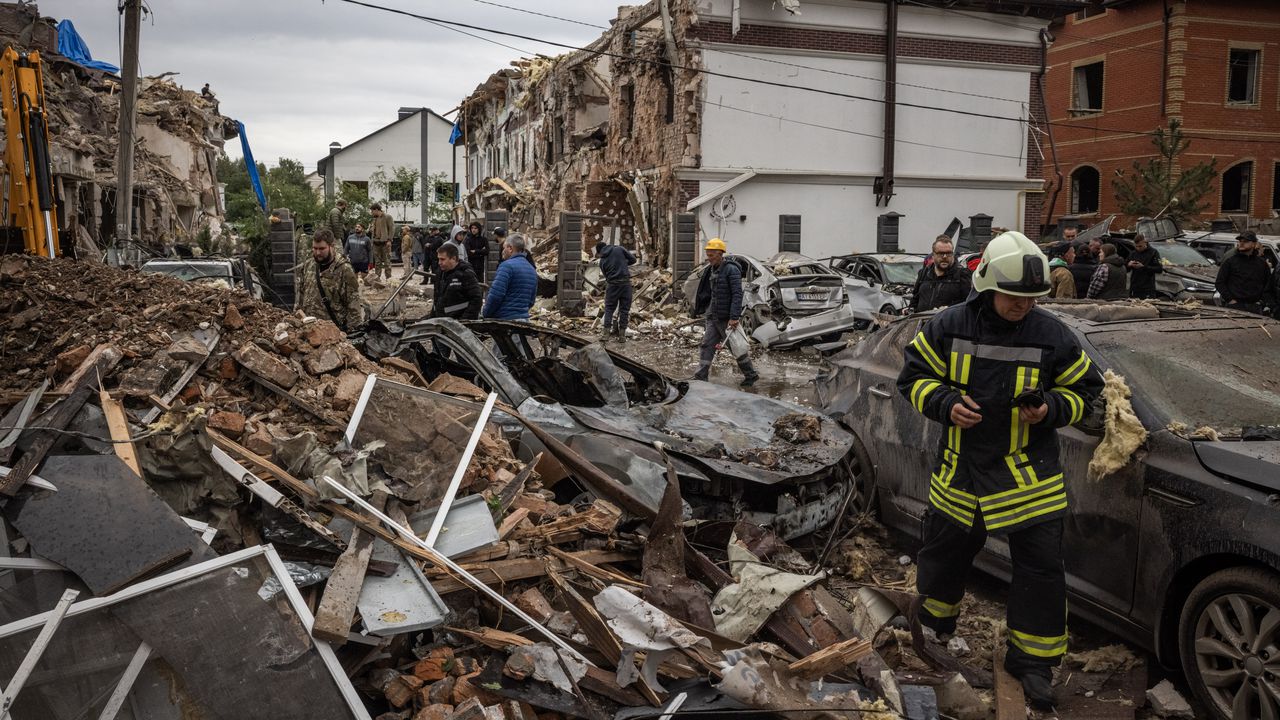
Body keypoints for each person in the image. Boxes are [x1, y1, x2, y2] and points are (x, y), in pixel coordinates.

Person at [897, 231, 1103, 712]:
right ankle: (932, 627)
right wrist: (945, 403)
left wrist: (1050, 409)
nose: (1023, 306)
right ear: (987, 285)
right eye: (1014, 296)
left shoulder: (1052, 334)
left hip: (1028, 476)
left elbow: (1087, 393)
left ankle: (1033, 663)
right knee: (944, 555)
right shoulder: (950, 324)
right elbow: (913, 378)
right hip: (962, 472)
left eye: (1032, 298)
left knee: (1041, 569)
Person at [692, 238, 759, 387]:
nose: (709, 258)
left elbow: (737, 294)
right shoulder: (711, 269)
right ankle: (700, 376)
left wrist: (734, 317)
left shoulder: (731, 270)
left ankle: (751, 375)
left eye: (711, 255)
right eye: (708, 255)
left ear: (720, 253)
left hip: (726, 317)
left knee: (736, 347)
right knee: (707, 345)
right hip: (713, 315)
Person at [296, 228, 363, 332]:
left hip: (333, 332)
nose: (318, 252)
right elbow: (300, 296)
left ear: (332, 246)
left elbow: (353, 306)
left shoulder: (344, 269)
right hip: (309, 331)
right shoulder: (309, 265)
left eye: (322, 248)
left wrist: (352, 333)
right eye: (315, 248)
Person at [482, 234, 538, 320]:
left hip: (505, 321)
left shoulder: (506, 266)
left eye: (504, 248)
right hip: (523, 320)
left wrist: (485, 313)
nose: (502, 251)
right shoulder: (532, 270)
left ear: (510, 248)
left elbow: (495, 296)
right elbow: (531, 301)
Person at [1215, 230, 1272, 314]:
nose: (1241, 243)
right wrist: (1230, 300)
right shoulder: (1230, 262)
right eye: (1240, 241)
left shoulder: (1262, 263)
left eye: (1245, 241)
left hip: (1255, 307)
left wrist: (1262, 302)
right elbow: (1219, 283)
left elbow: (1268, 285)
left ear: (1254, 244)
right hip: (1235, 307)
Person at [910, 235, 971, 312]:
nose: (945, 256)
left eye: (948, 253)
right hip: (922, 319)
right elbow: (915, 298)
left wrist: (949, 309)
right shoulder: (923, 273)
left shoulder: (962, 274)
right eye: (940, 253)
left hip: (948, 319)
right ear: (933, 255)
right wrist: (910, 309)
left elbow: (968, 302)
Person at [595, 241, 637, 342]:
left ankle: (606, 334)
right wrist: (623, 264)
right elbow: (633, 260)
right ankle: (622, 336)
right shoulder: (619, 249)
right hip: (625, 284)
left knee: (609, 309)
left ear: (599, 251)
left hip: (612, 286)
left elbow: (606, 276)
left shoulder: (602, 261)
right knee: (624, 310)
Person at [430, 243, 483, 320]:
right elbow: (437, 299)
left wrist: (464, 321)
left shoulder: (465, 273)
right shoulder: (440, 273)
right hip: (442, 321)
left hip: (457, 322)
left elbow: (476, 299)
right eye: (439, 259)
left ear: (453, 259)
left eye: (442, 259)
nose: (439, 262)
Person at [1125, 234, 1162, 299]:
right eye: (1136, 246)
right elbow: (1125, 269)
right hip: (1134, 287)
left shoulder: (1153, 252)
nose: (1138, 248)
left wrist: (1143, 267)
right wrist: (1129, 265)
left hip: (1148, 288)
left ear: (1145, 242)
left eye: (1140, 246)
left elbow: (1159, 269)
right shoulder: (1133, 253)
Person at [369, 203, 396, 282]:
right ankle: (377, 279)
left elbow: (392, 229)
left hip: (385, 242)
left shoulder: (387, 217)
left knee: (387, 262)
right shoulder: (375, 219)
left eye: (372, 211)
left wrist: (389, 240)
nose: (372, 213)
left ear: (376, 210)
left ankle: (389, 279)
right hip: (376, 243)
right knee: (377, 262)